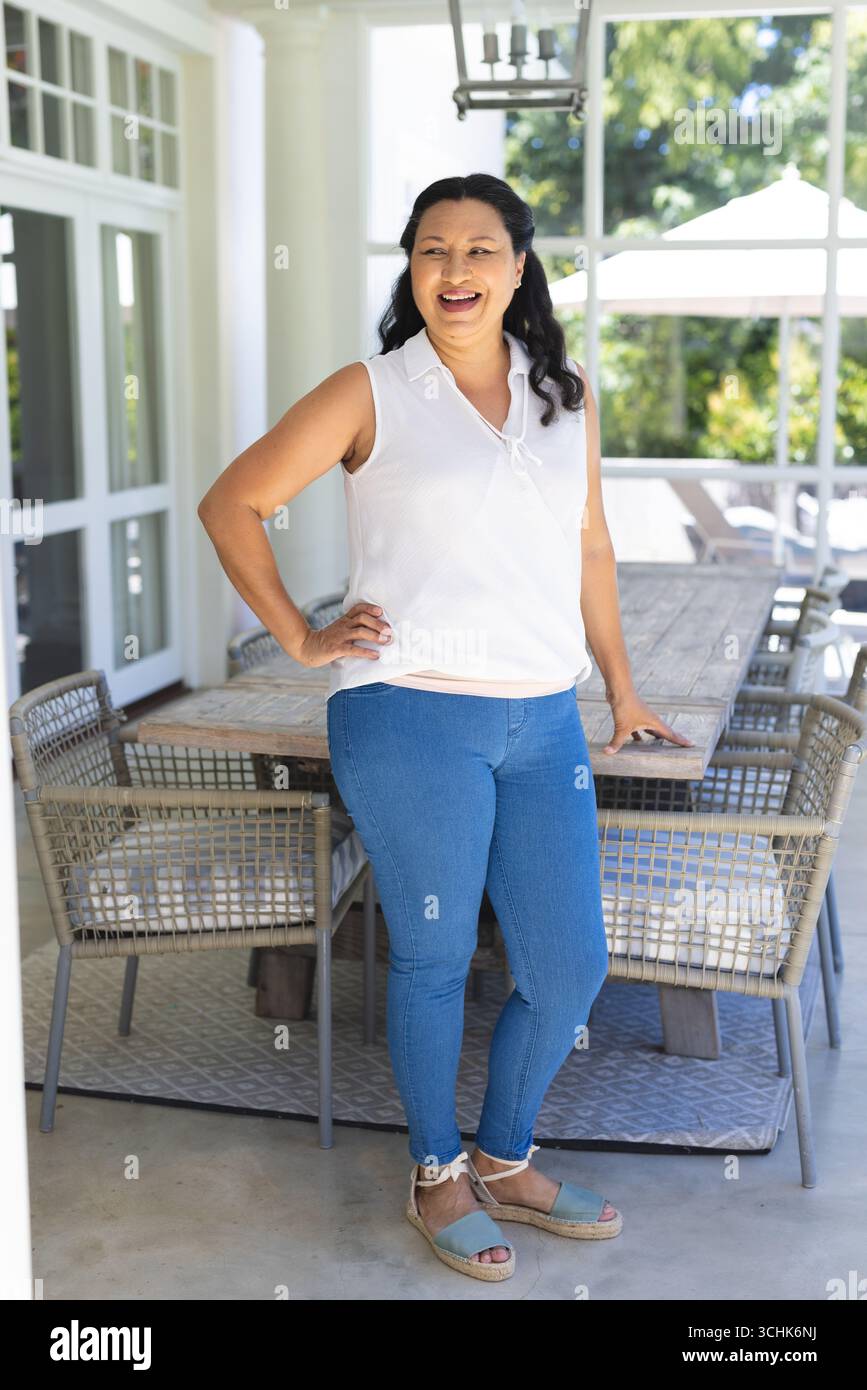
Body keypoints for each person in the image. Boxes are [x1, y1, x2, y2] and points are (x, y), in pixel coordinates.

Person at [198, 172, 692, 1283]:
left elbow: (593, 549)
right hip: (410, 711)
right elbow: (232, 500)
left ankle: (506, 1155)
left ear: (519, 268)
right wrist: (302, 635)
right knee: (429, 954)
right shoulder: (372, 390)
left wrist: (620, 686)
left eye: (479, 250)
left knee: (569, 964)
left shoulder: (563, 389)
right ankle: (435, 1172)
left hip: (542, 718)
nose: (455, 271)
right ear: (411, 270)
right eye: (432, 250)